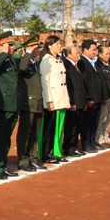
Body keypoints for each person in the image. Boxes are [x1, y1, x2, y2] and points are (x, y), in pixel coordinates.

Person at [0, 32, 20, 180]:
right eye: (9, 44)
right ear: (0, 46)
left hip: (12, 103)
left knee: (7, 137)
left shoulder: (10, 60)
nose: (12, 47)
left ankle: (3, 164)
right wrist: (2, 53)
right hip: (2, 104)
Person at [39, 35, 71, 163]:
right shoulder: (46, 60)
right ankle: (46, 153)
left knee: (59, 127)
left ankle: (56, 151)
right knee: (49, 128)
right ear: (49, 45)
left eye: (60, 44)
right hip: (53, 99)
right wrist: (49, 100)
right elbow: (44, 82)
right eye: (57, 44)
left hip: (61, 98)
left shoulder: (58, 59)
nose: (60, 46)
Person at [16, 36, 45, 171]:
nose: (38, 50)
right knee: (25, 133)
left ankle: (32, 157)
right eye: (36, 48)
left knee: (34, 132)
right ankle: (23, 160)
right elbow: (21, 68)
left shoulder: (35, 63)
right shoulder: (25, 62)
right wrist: (27, 52)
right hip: (28, 103)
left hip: (38, 102)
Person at [62, 43, 87, 157]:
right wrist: (71, 102)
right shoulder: (66, 65)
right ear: (68, 54)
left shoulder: (77, 65)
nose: (79, 55)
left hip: (80, 100)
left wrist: (85, 100)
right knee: (70, 127)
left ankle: (74, 146)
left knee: (78, 125)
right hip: (73, 101)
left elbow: (81, 84)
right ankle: (68, 148)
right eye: (76, 53)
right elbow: (68, 85)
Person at [78, 39, 103, 153]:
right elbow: (84, 82)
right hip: (90, 98)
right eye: (93, 49)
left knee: (95, 121)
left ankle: (92, 141)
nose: (95, 52)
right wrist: (88, 98)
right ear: (86, 50)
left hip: (97, 97)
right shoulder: (82, 62)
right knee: (87, 122)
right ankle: (86, 143)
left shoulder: (94, 62)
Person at [95, 46, 110, 148]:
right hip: (104, 96)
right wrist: (103, 97)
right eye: (106, 54)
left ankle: (106, 136)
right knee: (102, 118)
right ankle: (99, 138)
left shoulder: (108, 65)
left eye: (109, 54)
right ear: (100, 54)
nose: (109, 56)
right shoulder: (98, 65)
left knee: (108, 118)